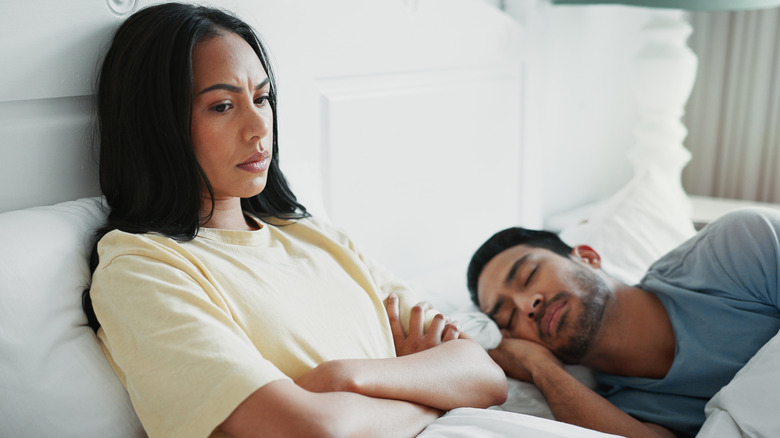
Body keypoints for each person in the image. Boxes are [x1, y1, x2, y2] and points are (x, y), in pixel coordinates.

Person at [81, 3, 507, 437]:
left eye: (262, 98)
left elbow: (484, 374)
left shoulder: (312, 234)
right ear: (157, 125)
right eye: (223, 106)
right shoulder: (141, 267)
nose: (258, 127)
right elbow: (311, 428)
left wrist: (344, 378)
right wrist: (431, 394)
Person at [467, 207, 780, 438]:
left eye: (529, 275)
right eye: (508, 316)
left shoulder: (736, 249)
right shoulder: (618, 412)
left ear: (587, 257)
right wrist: (541, 369)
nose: (526, 305)